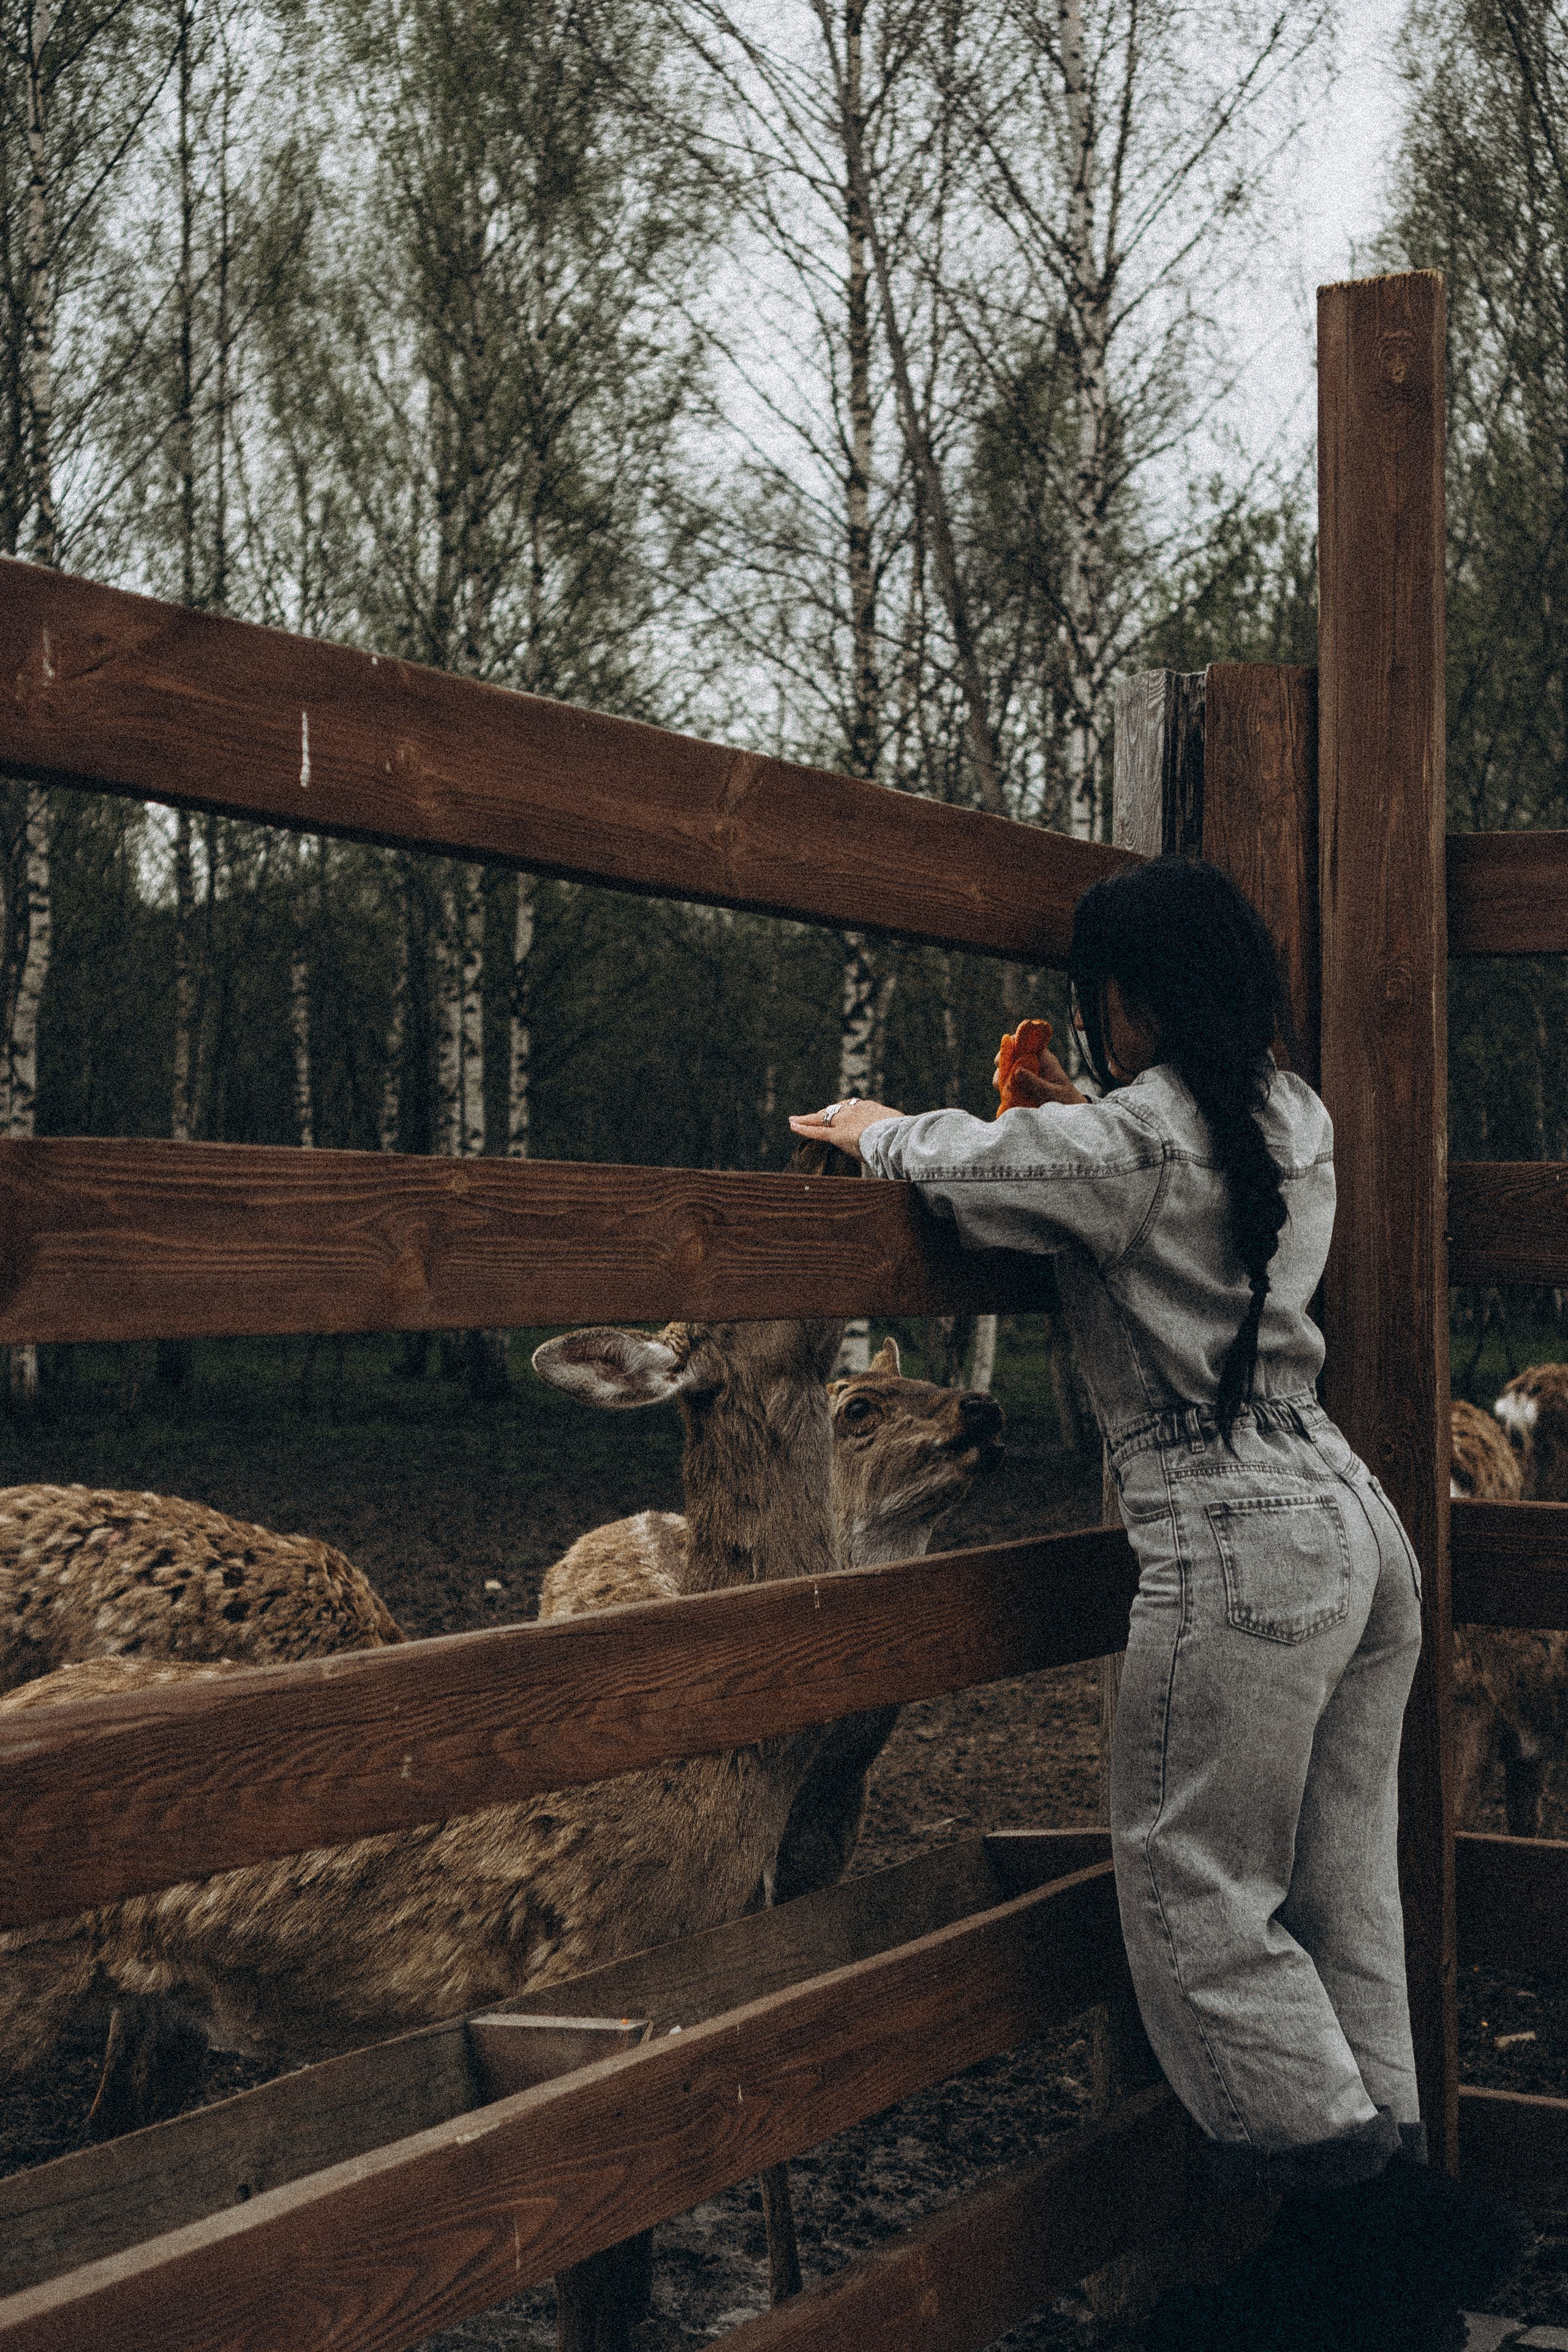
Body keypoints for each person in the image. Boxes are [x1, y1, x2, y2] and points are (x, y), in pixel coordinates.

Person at [791, 856, 1531, 2352]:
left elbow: (990, 1175)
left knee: (1192, 1889)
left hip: (1234, 1534)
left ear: (1122, 997)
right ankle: (1363, 2283)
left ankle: (1368, 2221)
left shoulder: (1127, 1143)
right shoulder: (1288, 1112)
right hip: (1353, 1524)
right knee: (1344, 1894)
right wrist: (1070, 1099)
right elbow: (1133, 1171)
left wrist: (878, 1131)